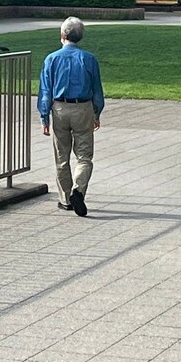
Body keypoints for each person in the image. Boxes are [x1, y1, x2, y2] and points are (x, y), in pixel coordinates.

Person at [38, 16, 104, 217]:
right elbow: (96, 90)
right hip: (82, 107)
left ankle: (65, 199)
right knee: (84, 156)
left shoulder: (52, 59)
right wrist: (97, 112)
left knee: (61, 156)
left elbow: (45, 90)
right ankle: (79, 189)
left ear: (62, 35)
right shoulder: (88, 59)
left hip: (59, 108)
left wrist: (44, 116)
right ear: (80, 36)